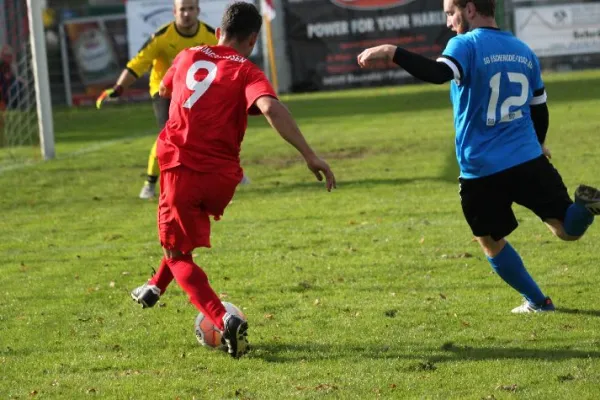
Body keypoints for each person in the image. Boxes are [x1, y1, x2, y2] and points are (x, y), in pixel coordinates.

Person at [357, 0, 600, 313]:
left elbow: (437, 73)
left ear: (469, 9)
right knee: (566, 229)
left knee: (489, 240)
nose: (448, 22)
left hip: (482, 168)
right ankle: (585, 206)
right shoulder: (522, 49)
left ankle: (539, 302)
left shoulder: (465, 44)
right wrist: (538, 143)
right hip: (527, 159)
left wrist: (392, 51)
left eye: (450, 13)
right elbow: (539, 107)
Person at [129, 1, 336, 358]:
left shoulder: (188, 55)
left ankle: (223, 319)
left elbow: (165, 91)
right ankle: (154, 287)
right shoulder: (248, 71)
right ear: (253, 39)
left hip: (182, 167)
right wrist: (309, 154)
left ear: (219, 30)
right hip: (223, 178)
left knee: (177, 252)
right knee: (183, 232)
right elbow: (270, 107)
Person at [96, 0, 252, 200]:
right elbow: (138, 64)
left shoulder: (209, 36)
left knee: (216, 130)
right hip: (164, 91)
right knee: (168, 135)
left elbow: (228, 59)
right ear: (174, 12)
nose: (186, 14)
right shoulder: (162, 37)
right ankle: (150, 183)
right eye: (182, 9)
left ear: (198, 11)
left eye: (190, 9)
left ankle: (232, 172)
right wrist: (118, 88)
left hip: (197, 91)